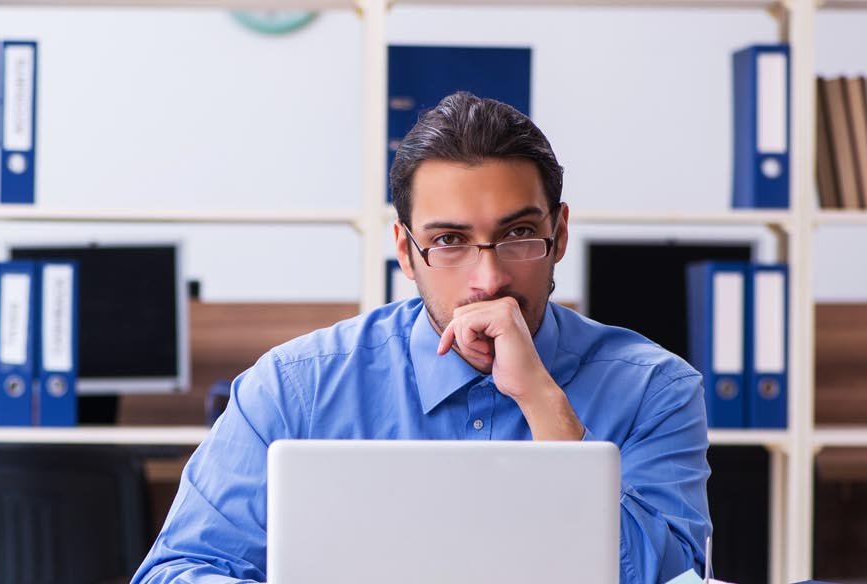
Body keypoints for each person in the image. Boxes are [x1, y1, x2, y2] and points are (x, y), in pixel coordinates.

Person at [131, 92, 711, 584]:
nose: (489, 280)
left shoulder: (656, 390)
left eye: (519, 233)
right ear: (407, 251)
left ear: (559, 235)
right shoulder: (293, 388)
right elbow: (179, 569)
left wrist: (546, 407)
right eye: (450, 241)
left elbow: (669, 578)